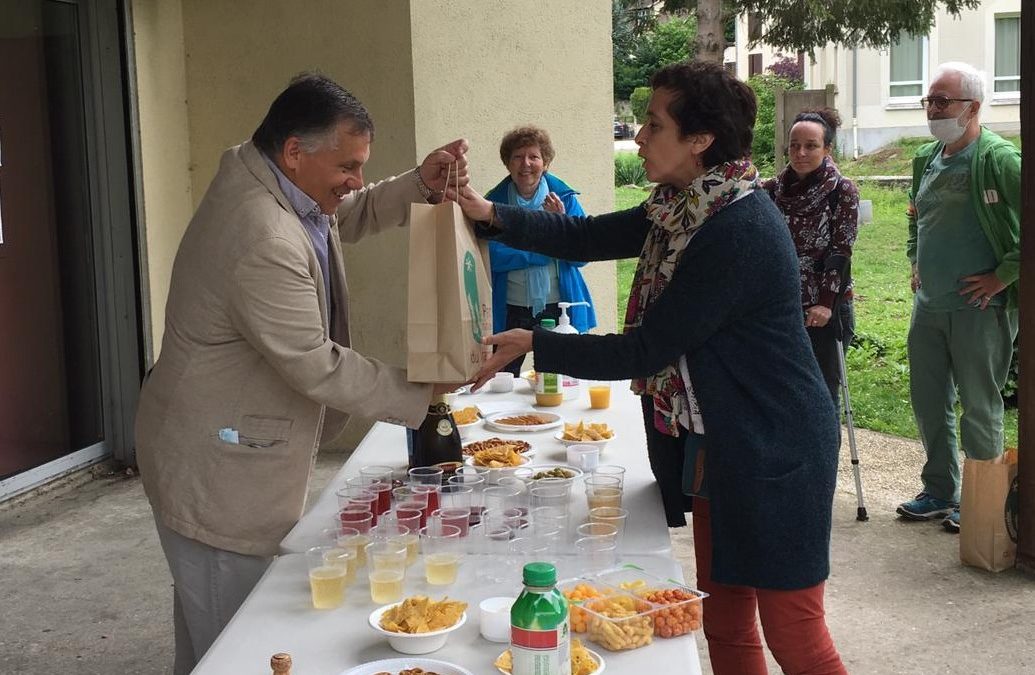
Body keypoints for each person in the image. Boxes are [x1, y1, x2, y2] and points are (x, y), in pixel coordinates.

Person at [455, 61, 846, 675]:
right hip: (727, 444)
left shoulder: (735, 229)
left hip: (777, 448)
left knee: (794, 631)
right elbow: (586, 237)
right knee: (723, 617)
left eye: (653, 124)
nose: (638, 136)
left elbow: (646, 349)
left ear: (700, 140)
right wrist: (492, 213)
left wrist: (536, 342)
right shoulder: (683, 206)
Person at [133, 73, 468, 674]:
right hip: (216, 471)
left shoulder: (280, 185)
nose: (355, 180)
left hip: (225, 447)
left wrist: (419, 183)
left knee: (211, 633)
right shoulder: (259, 234)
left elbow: (344, 214)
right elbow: (314, 363)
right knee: (234, 644)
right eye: (349, 164)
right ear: (294, 150)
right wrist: (426, 390)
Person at [896, 62, 1021, 533]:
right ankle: (939, 490)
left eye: (942, 101)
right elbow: (916, 216)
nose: (933, 109)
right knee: (929, 402)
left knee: (979, 406)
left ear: (973, 108)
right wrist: (914, 260)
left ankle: (981, 500)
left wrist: (1002, 277)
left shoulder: (999, 159)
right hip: (928, 306)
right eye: (929, 100)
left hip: (978, 309)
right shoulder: (926, 158)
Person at [763, 108, 859, 405]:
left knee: (821, 393)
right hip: (784, 304)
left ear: (827, 149)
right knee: (781, 390)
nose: (801, 152)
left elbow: (840, 251)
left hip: (825, 308)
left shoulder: (842, 191)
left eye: (811, 146)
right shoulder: (772, 190)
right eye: (794, 145)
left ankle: (825, 452)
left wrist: (825, 304)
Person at [486, 125, 596, 375]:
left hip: (558, 307)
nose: (526, 163)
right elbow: (492, 256)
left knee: (559, 380)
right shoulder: (492, 203)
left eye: (533, 156)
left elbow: (582, 255)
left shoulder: (565, 200)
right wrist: (548, 244)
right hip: (510, 308)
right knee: (501, 379)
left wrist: (560, 224)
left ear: (545, 163)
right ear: (508, 163)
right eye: (517, 156)